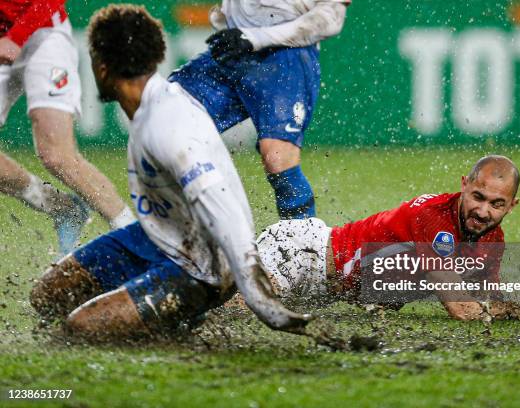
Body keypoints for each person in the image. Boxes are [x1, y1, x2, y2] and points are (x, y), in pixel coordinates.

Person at [29, 4, 311, 342]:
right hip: (157, 237)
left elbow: (223, 208)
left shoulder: (168, 125)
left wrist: (259, 298)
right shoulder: (152, 103)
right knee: (46, 296)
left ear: (101, 69)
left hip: (201, 268)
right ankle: (149, 303)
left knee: (81, 328)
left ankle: (176, 320)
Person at [256, 155, 520, 322]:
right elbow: (463, 308)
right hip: (301, 255)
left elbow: (487, 301)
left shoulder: (492, 241)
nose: (483, 211)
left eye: (497, 204)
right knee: (231, 309)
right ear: (464, 184)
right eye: (478, 196)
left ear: (512, 206)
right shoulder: (434, 219)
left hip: (323, 292)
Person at [169, 0, 350, 219]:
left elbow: (331, 18)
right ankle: (183, 237)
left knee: (278, 156)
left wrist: (256, 37)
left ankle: (303, 246)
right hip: (234, 47)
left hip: (287, 54)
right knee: (168, 114)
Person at [0, 0, 136, 254]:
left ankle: (134, 238)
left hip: (43, 34)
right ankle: (62, 208)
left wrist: (16, 37)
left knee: (57, 156)